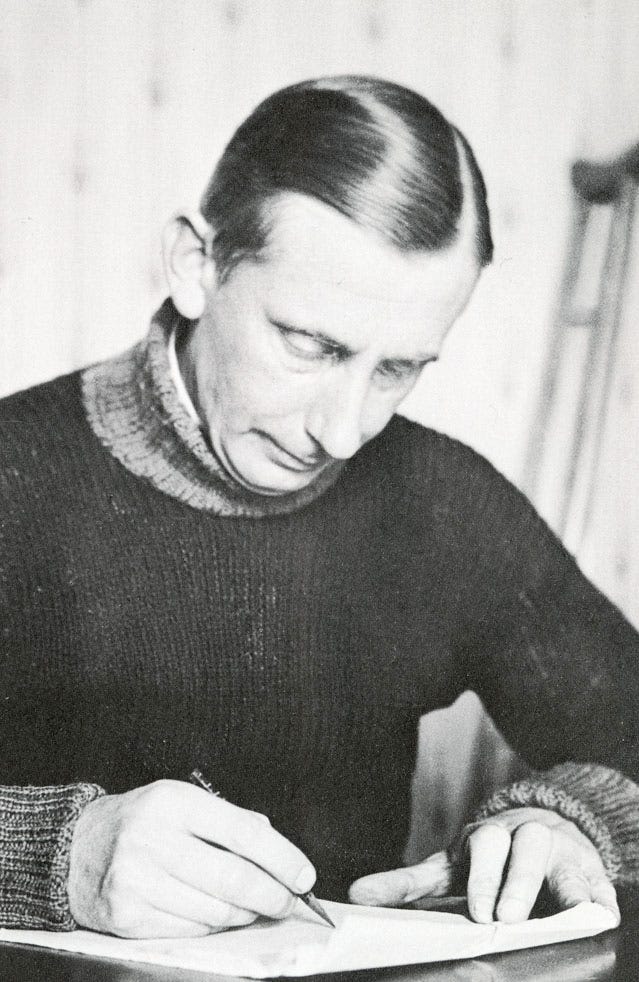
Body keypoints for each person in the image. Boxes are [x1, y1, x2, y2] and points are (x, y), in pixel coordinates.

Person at [0, 75, 638, 941]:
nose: (343, 433)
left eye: (397, 368)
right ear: (195, 265)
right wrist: (50, 858)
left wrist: (573, 820)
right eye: (310, 346)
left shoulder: (442, 500)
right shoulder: (13, 472)